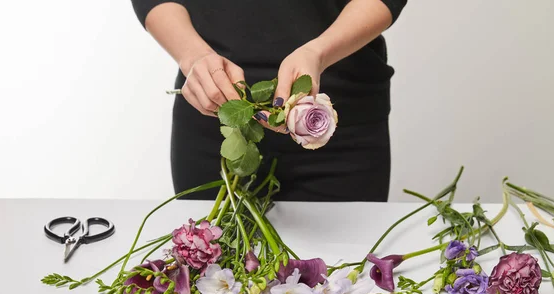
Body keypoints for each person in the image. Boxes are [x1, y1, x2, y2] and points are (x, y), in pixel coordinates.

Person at [131, 0, 407, 201]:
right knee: (210, 270)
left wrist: (318, 52)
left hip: (341, 122)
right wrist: (193, 55)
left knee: (342, 273)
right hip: (213, 114)